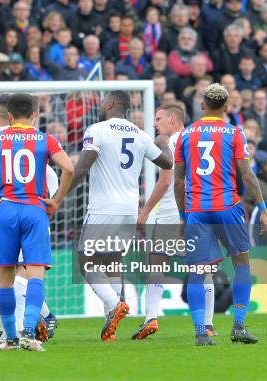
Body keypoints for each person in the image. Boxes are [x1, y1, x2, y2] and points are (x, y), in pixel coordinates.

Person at [0, 93, 74, 352]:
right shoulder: (46, 139)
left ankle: (9, 338)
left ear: (8, 116)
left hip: (6, 210)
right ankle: (28, 334)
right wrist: (55, 200)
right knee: (35, 274)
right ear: (34, 115)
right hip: (35, 209)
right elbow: (68, 169)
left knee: (4, 277)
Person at [67, 90, 173, 342]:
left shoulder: (98, 129)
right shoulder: (140, 134)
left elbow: (83, 166)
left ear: (111, 103)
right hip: (129, 209)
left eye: (104, 102)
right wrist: (164, 142)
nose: (101, 105)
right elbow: (167, 163)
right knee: (112, 261)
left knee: (87, 261)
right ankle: (110, 328)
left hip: (103, 208)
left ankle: (115, 304)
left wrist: (61, 195)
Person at [174, 83, 267, 346]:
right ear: (226, 107)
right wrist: (262, 208)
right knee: (241, 263)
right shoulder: (234, 133)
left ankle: (200, 332)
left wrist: (183, 216)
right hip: (227, 207)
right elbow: (247, 175)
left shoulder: (186, 135)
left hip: (197, 211)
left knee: (196, 269)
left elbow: (178, 181)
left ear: (203, 105)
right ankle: (238, 326)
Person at [132, 104, 217, 340]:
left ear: (172, 119)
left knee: (156, 265)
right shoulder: (199, 140)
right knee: (204, 269)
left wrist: (146, 211)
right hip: (201, 211)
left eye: (158, 118)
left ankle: (151, 317)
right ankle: (208, 324)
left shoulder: (170, 143)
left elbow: (166, 181)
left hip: (171, 210)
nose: (154, 123)